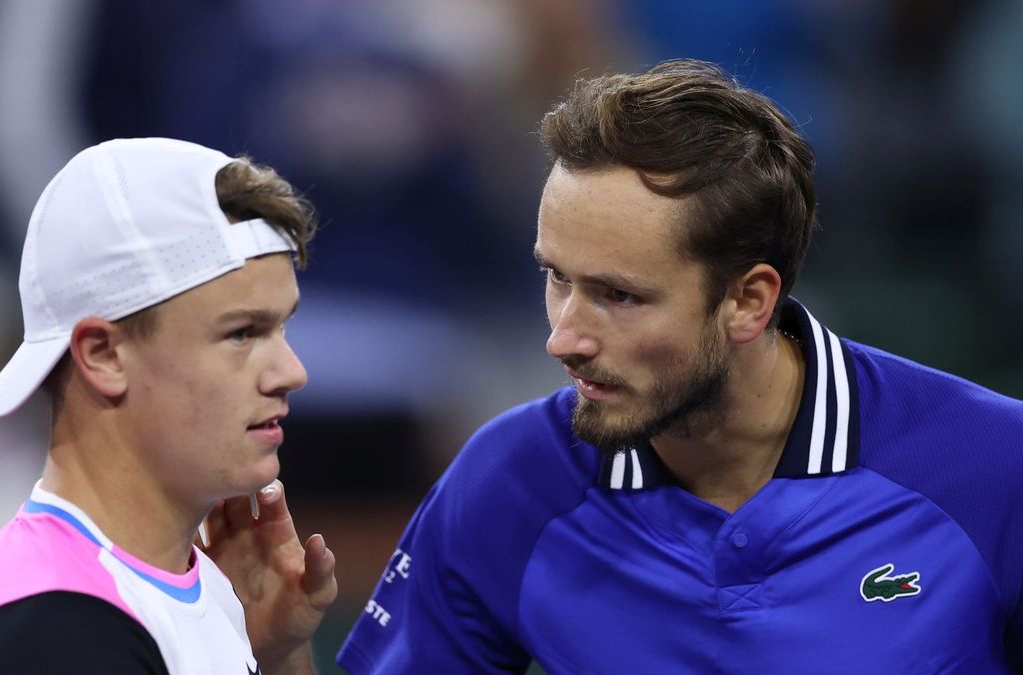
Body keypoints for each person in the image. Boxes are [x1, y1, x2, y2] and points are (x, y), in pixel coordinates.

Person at [338, 60, 1023, 673]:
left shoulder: (997, 468)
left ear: (748, 301)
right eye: (556, 278)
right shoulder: (510, 479)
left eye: (618, 295)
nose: (565, 338)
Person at [0, 137, 337, 674]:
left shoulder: (181, 592)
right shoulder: (52, 628)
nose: (291, 372)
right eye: (242, 333)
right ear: (104, 354)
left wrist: (274, 656)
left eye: (281, 327)